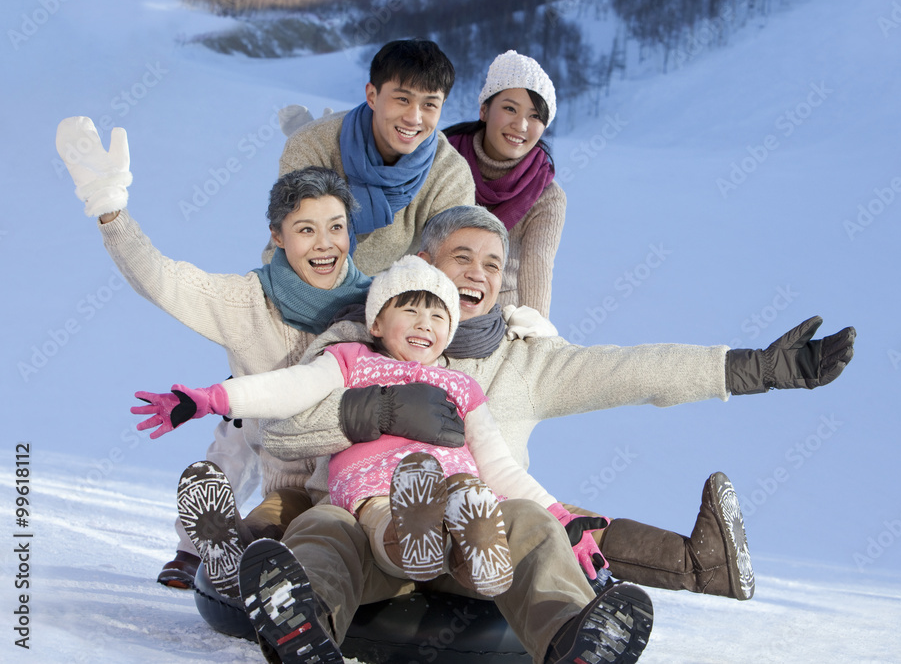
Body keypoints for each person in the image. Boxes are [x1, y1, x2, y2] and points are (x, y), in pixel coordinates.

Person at [261, 205, 856, 603]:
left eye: (493, 264)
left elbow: (631, 371)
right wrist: (374, 414)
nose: (478, 274)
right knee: (301, 519)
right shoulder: (358, 343)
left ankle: (697, 565)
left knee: (552, 519)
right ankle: (264, 582)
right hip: (365, 514)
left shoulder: (527, 360)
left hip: (482, 533)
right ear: (425, 266)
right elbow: (285, 430)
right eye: (462, 257)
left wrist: (761, 369)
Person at [54, 118, 463, 592]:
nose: (325, 243)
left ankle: (236, 555)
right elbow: (162, 280)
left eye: (336, 227)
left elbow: (433, 326)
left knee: (323, 524)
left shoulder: (375, 304)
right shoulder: (245, 300)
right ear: (277, 236)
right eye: (305, 230)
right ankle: (210, 551)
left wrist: (514, 328)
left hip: (358, 470)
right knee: (246, 460)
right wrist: (110, 210)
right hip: (281, 461)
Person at [132, 256, 608, 598]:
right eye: (410, 310)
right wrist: (210, 398)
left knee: (471, 489)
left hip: (456, 489)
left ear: (449, 330)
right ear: (377, 322)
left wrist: (560, 517)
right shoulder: (350, 361)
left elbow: (500, 466)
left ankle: (480, 554)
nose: (425, 323)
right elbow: (290, 387)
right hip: (376, 489)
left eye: (439, 314)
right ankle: (407, 544)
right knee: (385, 508)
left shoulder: (460, 386)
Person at [277, 38, 475, 276]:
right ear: (372, 95)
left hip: (398, 300)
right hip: (304, 285)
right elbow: (295, 249)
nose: (414, 118)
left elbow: (448, 269)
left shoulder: (450, 173)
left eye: (429, 105)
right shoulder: (312, 145)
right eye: (402, 99)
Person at [443, 50, 566, 317]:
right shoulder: (445, 159)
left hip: (499, 314)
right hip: (433, 298)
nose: (521, 125)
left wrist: (534, 331)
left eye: (535, 116)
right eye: (510, 108)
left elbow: (537, 269)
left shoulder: (545, 195)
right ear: (484, 110)